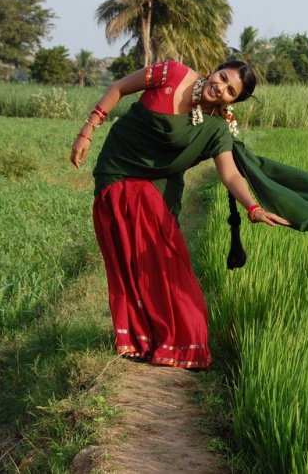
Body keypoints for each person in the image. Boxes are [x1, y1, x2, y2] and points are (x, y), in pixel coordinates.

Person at [70, 59, 288, 369]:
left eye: (230, 91)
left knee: (161, 258)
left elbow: (230, 175)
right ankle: (136, 338)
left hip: (160, 183)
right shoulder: (169, 73)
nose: (221, 87)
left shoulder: (216, 128)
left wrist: (253, 208)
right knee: (125, 253)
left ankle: (176, 339)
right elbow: (119, 87)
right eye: (223, 77)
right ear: (213, 69)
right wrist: (87, 132)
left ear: (234, 101)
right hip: (120, 165)